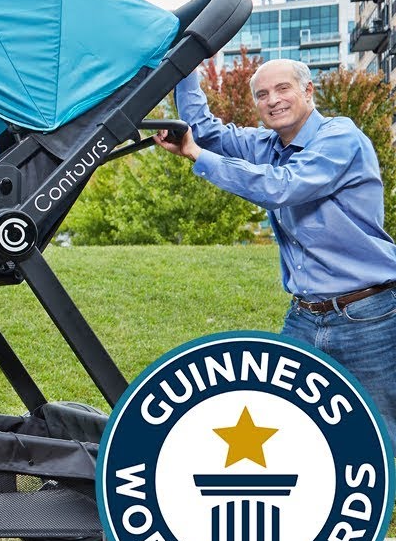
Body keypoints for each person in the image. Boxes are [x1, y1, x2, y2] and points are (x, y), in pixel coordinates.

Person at [155, 58, 396, 446]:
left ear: (308, 92)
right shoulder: (268, 144)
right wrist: (184, 68)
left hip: (368, 314)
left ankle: (373, 503)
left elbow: (282, 186)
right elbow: (203, 132)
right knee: (289, 421)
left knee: (382, 433)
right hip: (305, 316)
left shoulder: (340, 137)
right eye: (262, 94)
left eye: (283, 89)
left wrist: (198, 155)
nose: (273, 100)